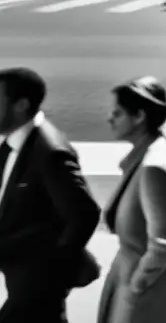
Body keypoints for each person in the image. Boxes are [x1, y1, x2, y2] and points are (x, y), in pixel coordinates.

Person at [0, 67, 101, 322]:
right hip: (19, 275)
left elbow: (85, 214)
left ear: (21, 105)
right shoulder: (14, 144)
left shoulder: (49, 151)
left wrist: (55, 271)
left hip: (38, 281)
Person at [97, 77, 166, 323]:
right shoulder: (145, 158)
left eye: (117, 113)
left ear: (139, 116)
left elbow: (163, 244)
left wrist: (136, 286)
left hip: (148, 301)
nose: (110, 118)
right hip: (135, 289)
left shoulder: (155, 167)